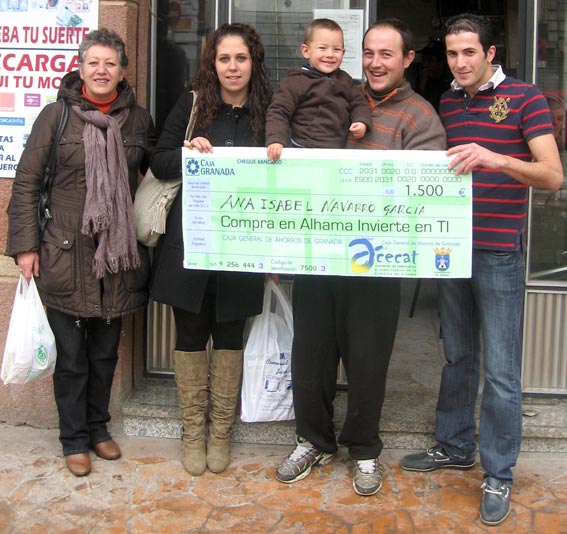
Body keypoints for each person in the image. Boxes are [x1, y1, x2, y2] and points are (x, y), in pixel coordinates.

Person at [400, 13, 563, 526]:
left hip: (498, 251)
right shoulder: (447, 100)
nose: (460, 62)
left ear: (492, 53)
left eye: (470, 52)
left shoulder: (525, 98)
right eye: (452, 53)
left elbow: (553, 176)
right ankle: (454, 446)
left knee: (500, 369)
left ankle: (499, 473)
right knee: (458, 355)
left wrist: (496, 159)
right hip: (451, 246)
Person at [274, 18, 446, 496]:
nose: (374, 62)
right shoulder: (334, 93)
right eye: (368, 53)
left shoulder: (421, 117)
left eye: (386, 54)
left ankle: (365, 450)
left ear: (408, 60)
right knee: (310, 356)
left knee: (368, 363)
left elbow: (424, 198)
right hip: (318, 254)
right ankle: (312, 439)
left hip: (377, 264)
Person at [6, 28, 156, 477]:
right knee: (71, 357)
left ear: (123, 70)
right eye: (94, 62)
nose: (102, 71)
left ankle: (97, 428)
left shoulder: (138, 121)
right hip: (64, 254)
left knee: (105, 354)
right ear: (80, 67)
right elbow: (28, 182)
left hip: (115, 258)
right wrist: (25, 247)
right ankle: (73, 438)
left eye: (110, 63)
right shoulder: (55, 117)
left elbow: (154, 177)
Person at [149, 23, 272, 477]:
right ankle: (191, 432)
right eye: (224, 59)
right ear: (212, 63)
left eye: (241, 58)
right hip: (192, 242)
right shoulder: (194, 102)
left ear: (253, 62)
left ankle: (220, 432)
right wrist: (189, 152)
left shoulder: (269, 109)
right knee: (189, 334)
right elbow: (157, 160)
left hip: (243, 245)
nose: (233, 67)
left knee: (230, 336)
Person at [265, 18, 371, 161]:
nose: (330, 54)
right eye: (322, 48)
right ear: (306, 51)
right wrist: (276, 139)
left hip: (338, 153)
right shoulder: (295, 82)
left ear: (343, 53)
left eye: (337, 49)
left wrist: (361, 121)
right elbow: (278, 112)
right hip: (303, 151)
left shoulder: (345, 80)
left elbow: (359, 103)